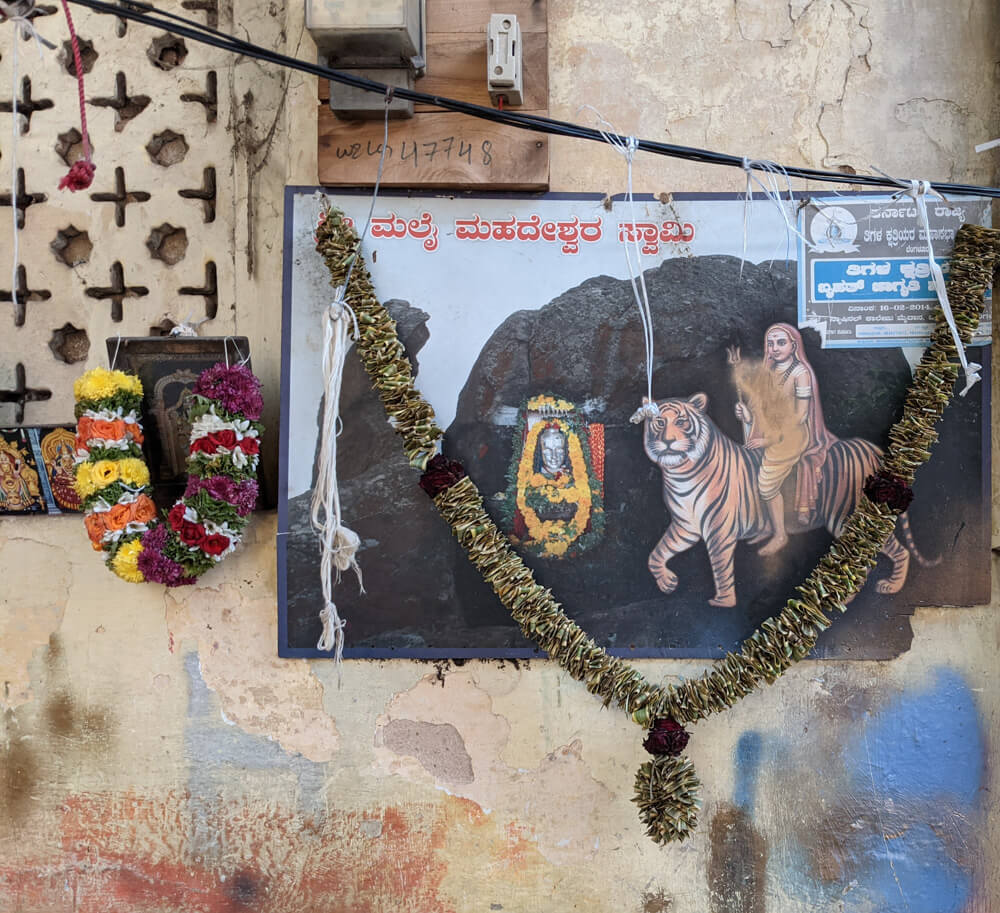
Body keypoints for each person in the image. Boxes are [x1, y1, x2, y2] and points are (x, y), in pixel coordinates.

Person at [733, 323, 833, 555]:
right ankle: (768, 525)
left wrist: (769, 440)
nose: (775, 348)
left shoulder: (801, 373)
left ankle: (780, 534)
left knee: (766, 485)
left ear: (793, 345)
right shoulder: (770, 372)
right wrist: (747, 416)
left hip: (792, 435)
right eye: (770, 343)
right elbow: (763, 409)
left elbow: (800, 415)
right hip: (770, 431)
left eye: (781, 342)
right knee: (752, 473)